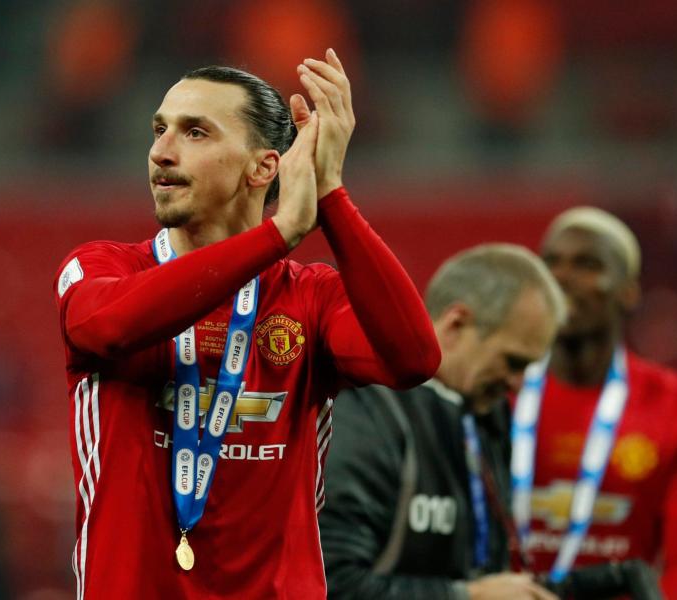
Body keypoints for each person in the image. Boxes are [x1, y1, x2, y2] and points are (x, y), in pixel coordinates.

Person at [52, 50, 441, 599]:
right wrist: (278, 235)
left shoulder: (311, 298)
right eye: (159, 130)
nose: (161, 152)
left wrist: (329, 193)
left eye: (195, 134)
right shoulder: (102, 268)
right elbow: (110, 328)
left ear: (263, 167)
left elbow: (414, 360)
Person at [320, 244, 565, 600]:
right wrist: (467, 597)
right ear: (455, 324)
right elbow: (332, 583)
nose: (517, 384)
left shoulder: (484, 413)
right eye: (513, 362)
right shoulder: (370, 411)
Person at [512, 207, 677, 599]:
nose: (562, 278)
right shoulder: (499, 392)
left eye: (587, 264)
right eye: (551, 264)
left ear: (630, 291)